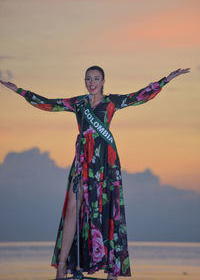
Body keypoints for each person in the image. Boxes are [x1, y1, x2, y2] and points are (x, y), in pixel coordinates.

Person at [0, 66, 190, 279]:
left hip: (105, 162)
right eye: (88, 78)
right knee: (72, 207)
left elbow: (140, 96)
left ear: (103, 81)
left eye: (96, 78)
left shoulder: (112, 102)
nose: (92, 82)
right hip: (82, 160)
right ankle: (62, 265)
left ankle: (112, 271)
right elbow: (49, 104)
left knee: (108, 210)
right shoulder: (78, 103)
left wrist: (166, 80)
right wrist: (20, 91)